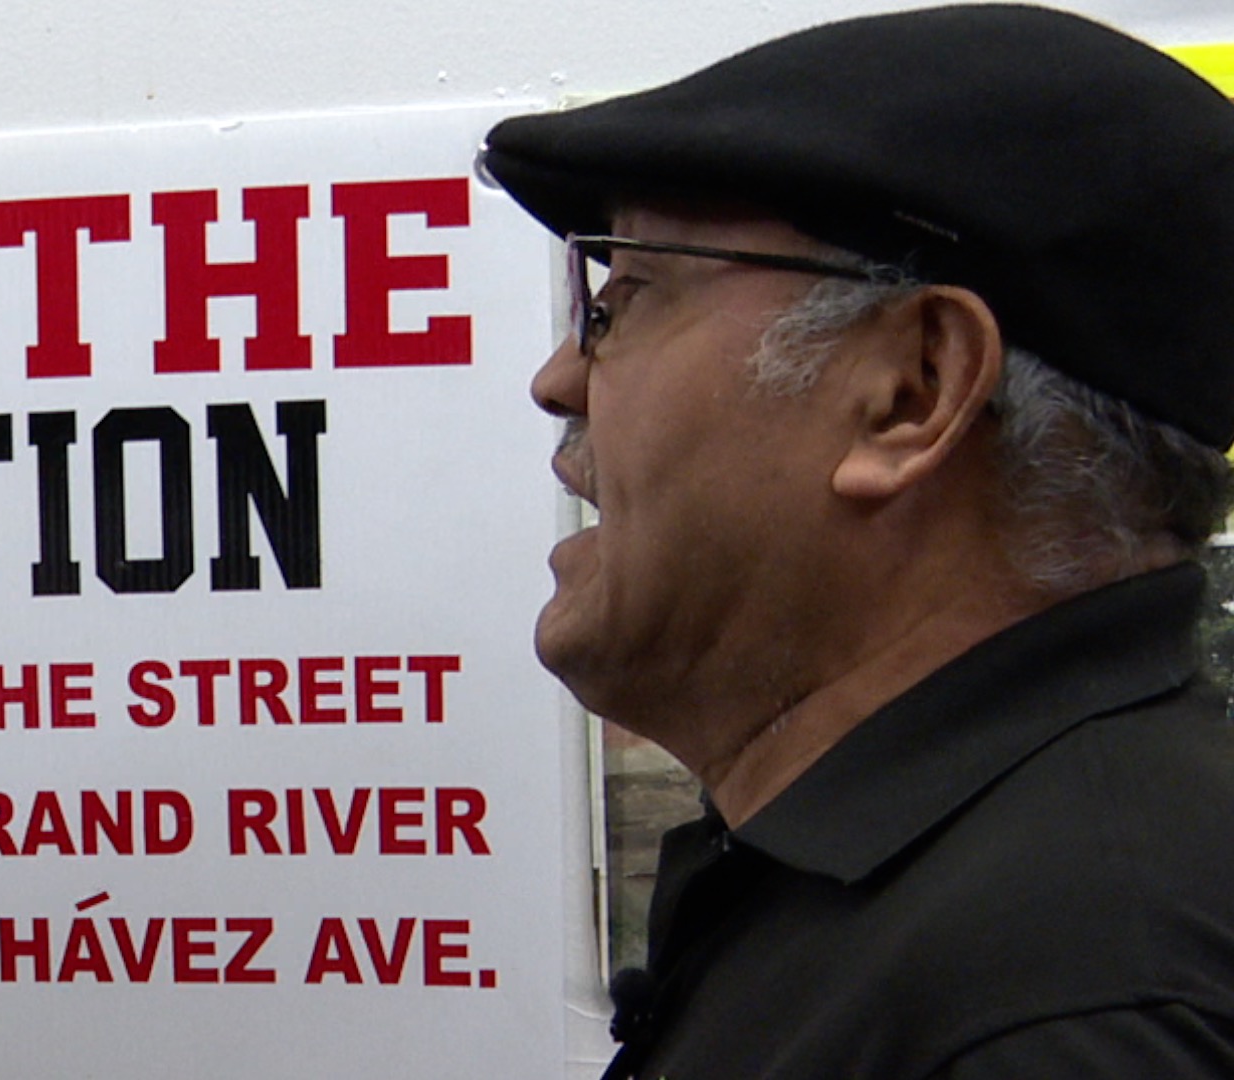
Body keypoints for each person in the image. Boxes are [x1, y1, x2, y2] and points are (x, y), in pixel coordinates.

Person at [480, 4, 1234, 1077]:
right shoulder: (947, 901)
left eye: (626, 294)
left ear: (912, 393)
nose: (559, 379)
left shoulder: (1069, 994)